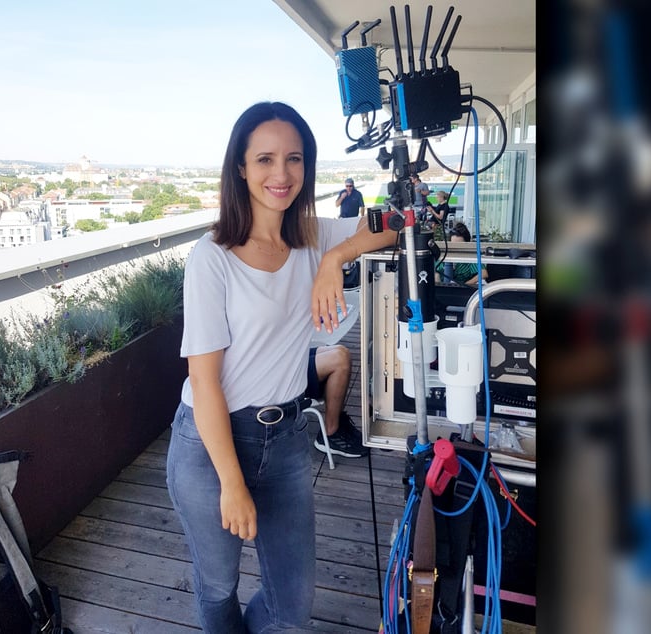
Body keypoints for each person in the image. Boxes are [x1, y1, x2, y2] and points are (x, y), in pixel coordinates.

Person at [166, 101, 397, 633]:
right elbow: (203, 382)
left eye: (294, 159)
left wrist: (336, 260)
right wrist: (231, 481)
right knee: (219, 587)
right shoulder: (212, 256)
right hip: (212, 448)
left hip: (288, 440)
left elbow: (395, 225)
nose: (281, 174)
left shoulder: (313, 238)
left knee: (291, 609)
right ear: (241, 168)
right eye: (265, 159)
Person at [307, 345, 367, 458]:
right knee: (340, 360)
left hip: (286, 356)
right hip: (275, 374)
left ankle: (337, 421)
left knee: (342, 350)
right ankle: (331, 433)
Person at [446, 222, 488, 286]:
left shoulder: (470, 256)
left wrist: (464, 285)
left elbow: (484, 273)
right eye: (453, 245)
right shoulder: (445, 255)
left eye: (460, 245)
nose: (456, 248)